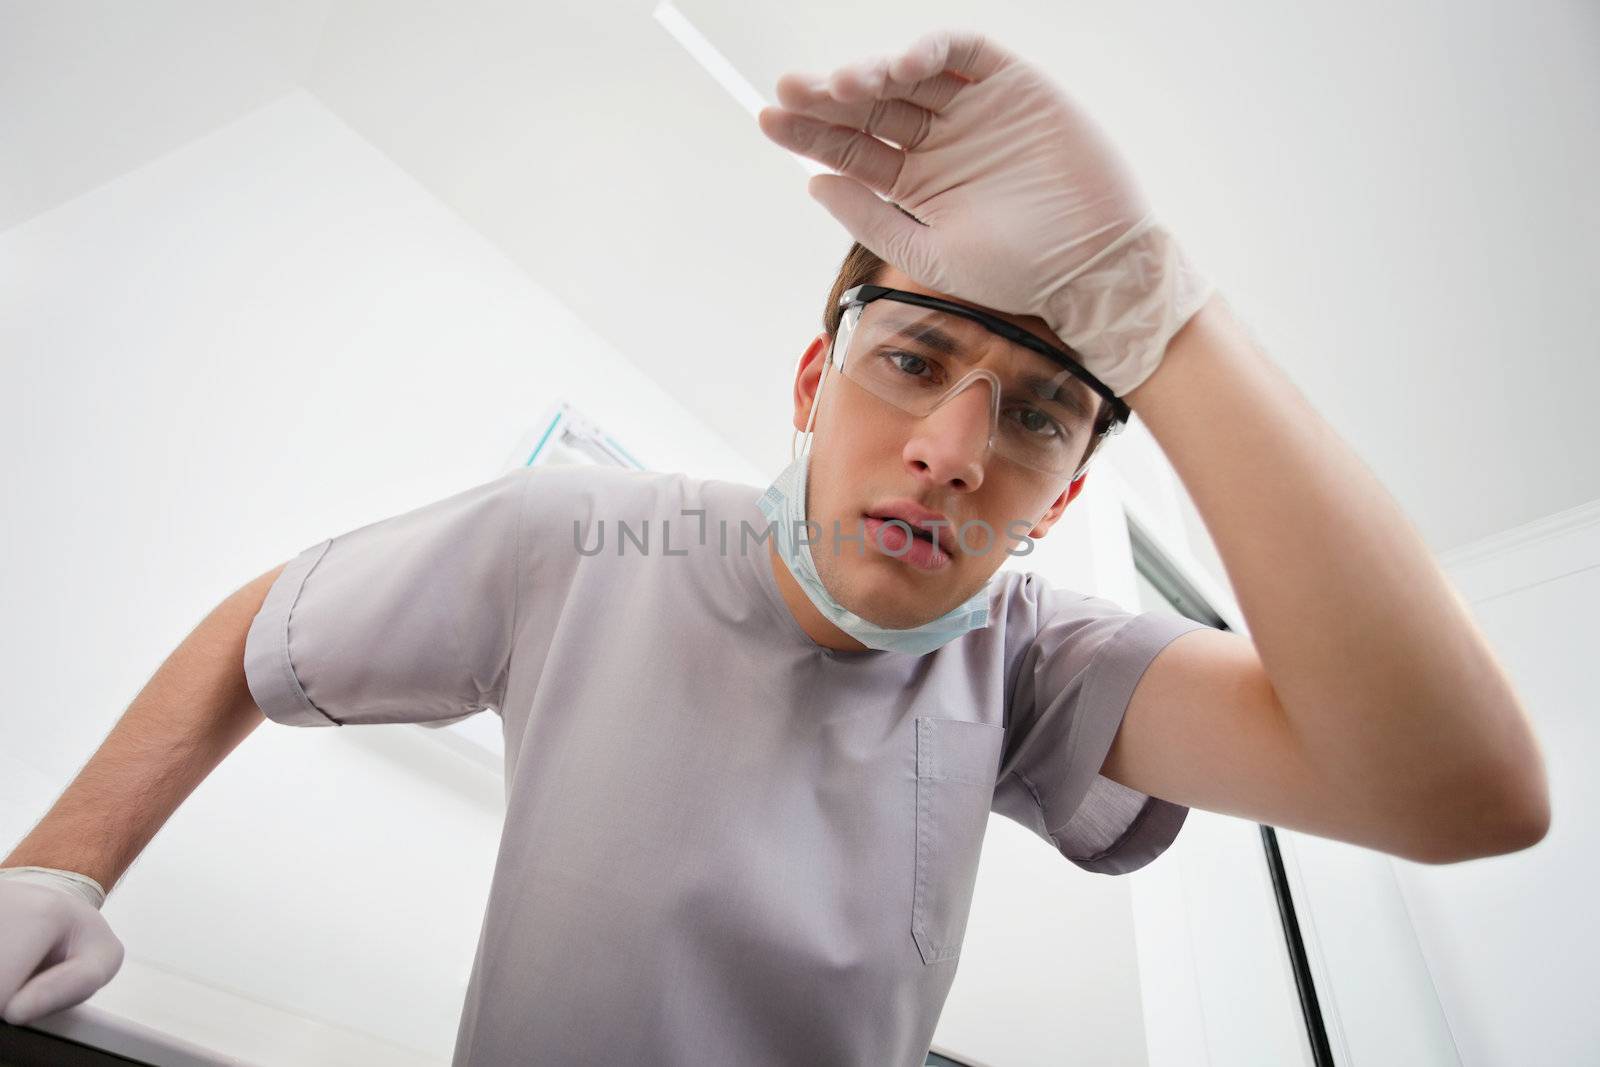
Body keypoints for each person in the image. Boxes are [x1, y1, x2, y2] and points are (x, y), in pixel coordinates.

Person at [1, 28, 1550, 1067]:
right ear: (813, 383)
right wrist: (56, 870)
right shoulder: (581, 540)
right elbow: (267, 630)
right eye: (909, 363)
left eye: (1035, 420)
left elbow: (1462, 796)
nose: (951, 449)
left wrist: (1150, 305)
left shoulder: (1035, 669)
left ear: (1061, 502)